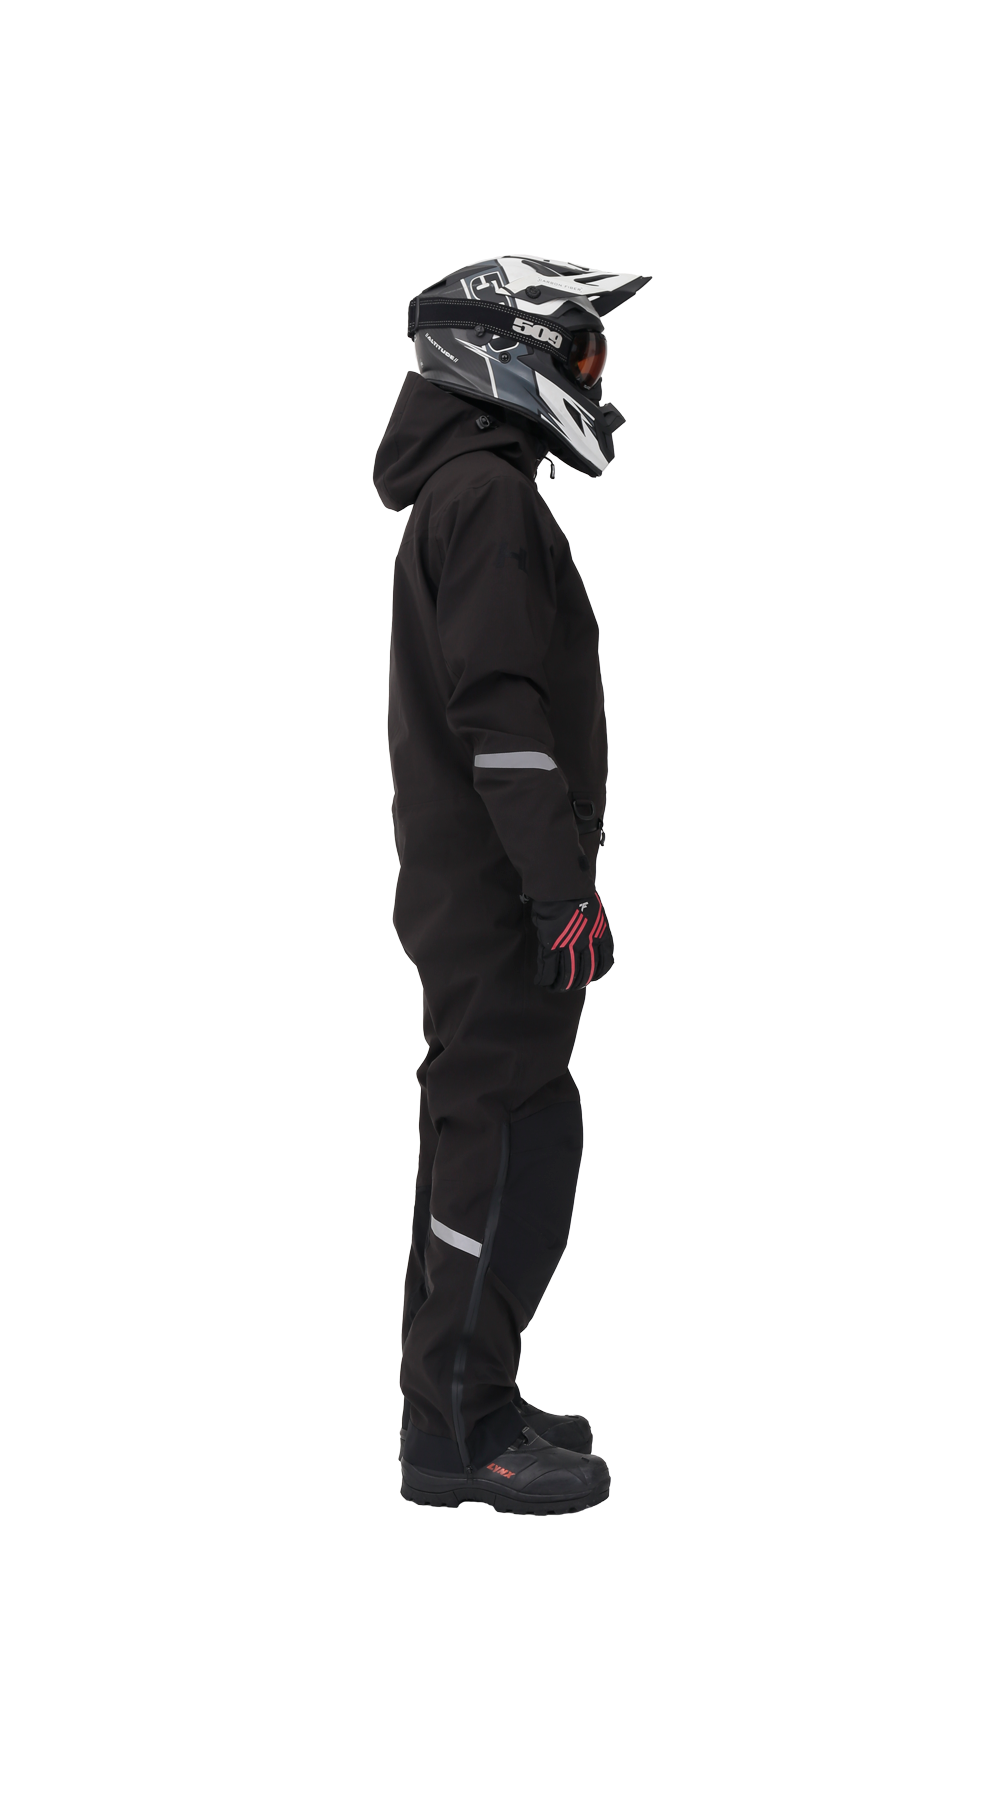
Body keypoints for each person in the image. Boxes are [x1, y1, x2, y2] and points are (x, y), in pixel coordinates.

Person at [374, 256, 649, 1514]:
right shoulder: (483, 499)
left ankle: (464, 1394)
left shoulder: (476, 490)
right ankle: (460, 1430)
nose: (595, 377)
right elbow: (502, 719)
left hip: (485, 890)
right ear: (505, 351)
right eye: (578, 351)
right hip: (497, 898)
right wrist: (557, 889)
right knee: (498, 1148)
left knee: (505, 1137)